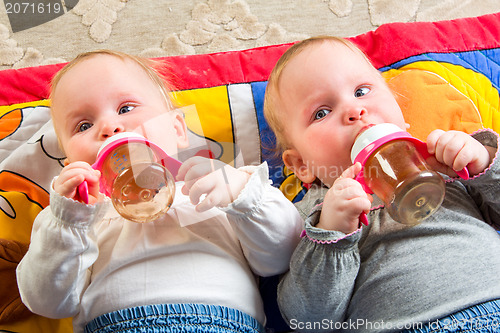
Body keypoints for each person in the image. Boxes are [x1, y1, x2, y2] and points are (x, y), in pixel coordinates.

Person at [16, 50, 303, 333]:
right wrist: (68, 219)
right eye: (84, 125)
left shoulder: (217, 186)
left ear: (178, 130)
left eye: (126, 108)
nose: (109, 127)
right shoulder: (77, 219)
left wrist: (242, 193)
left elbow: (282, 255)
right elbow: (48, 303)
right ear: (70, 164)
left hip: (226, 323)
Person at [263, 36, 500, 332]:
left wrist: (484, 160)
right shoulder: (317, 214)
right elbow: (308, 319)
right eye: (321, 113)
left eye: (362, 91)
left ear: (402, 116)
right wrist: (332, 234)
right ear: (302, 166)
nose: (354, 110)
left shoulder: (446, 160)